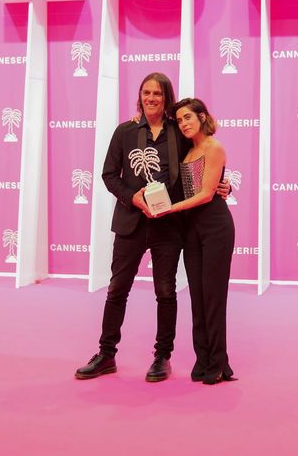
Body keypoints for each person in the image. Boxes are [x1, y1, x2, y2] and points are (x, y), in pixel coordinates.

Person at [75, 73, 230, 382]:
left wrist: (224, 186)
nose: (151, 98)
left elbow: (202, 160)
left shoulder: (178, 131)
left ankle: (162, 357)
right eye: (146, 92)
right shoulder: (125, 131)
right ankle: (106, 354)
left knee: (166, 291)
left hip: (168, 226)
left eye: (157, 93)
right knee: (117, 289)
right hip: (130, 222)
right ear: (140, 96)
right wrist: (132, 197)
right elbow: (109, 175)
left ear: (166, 98)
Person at [158, 97, 236, 385]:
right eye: (179, 120)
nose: (183, 124)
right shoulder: (187, 151)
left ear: (202, 117)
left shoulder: (214, 147)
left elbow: (205, 194)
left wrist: (170, 209)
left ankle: (218, 362)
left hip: (215, 227)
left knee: (214, 297)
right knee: (198, 297)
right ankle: (202, 358)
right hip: (191, 230)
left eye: (188, 117)